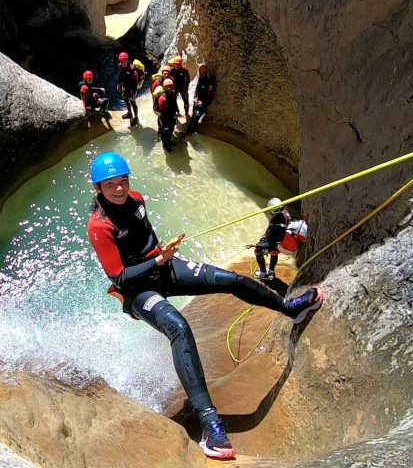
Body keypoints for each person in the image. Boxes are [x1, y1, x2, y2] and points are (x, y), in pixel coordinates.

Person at [86, 152, 324, 460]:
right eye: (110, 185)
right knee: (178, 326)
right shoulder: (99, 226)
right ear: (98, 189)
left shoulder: (137, 199)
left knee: (231, 280)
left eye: (123, 181)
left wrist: (164, 254)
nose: (119, 189)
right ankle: (210, 424)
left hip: (164, 268)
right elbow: (118, 276)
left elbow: (146, 239)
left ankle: (289, 308)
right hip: (137, 290)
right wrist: (158, 260)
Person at [248, 197, 292, 280]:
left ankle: (263, 273)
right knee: (274, 253)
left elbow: (271, 242)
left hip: (275, 242)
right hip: (282, 242)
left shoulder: (275, 223)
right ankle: (271, 271)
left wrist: (256, 245)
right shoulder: (286, 214)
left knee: (257, 251)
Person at [186, 63, 215, 135]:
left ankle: (191, 132)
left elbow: (210, 97)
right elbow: (197, 89)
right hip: (197, 102)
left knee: (196, 118)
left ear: (205, 72)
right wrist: (195, 97)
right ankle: (188, 131)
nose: (201, 73)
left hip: (202, 104)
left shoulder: (208, 84)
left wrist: (203, 103)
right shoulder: (200, 79)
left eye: (202, 72)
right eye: (200, 72)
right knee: (193, 117)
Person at [116, 52, 139, 127]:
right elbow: (120, 75)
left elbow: (135, 83)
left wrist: (134, 94)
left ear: (127, 60)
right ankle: (129, 112)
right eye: (121, 61)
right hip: (125, 86)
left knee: (133, 102)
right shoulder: (120, 66)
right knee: (125, 99)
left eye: (124, 61)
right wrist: (119, 84)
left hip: (132, 87)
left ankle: (136, 117)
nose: (123, 63)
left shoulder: (132, 69)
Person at [157, 78, 178, 152]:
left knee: (171, 130)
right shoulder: (162, 99)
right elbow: (162, 113)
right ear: (164, 87)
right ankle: (165, 145)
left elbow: (175, 104)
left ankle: (169, 141)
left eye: (170, 86)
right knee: (165, 133)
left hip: (172, 117)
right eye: (167, 86)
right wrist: (172, 116)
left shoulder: (173, 94)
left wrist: (177, 111)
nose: (169, 88)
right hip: (165, 119)